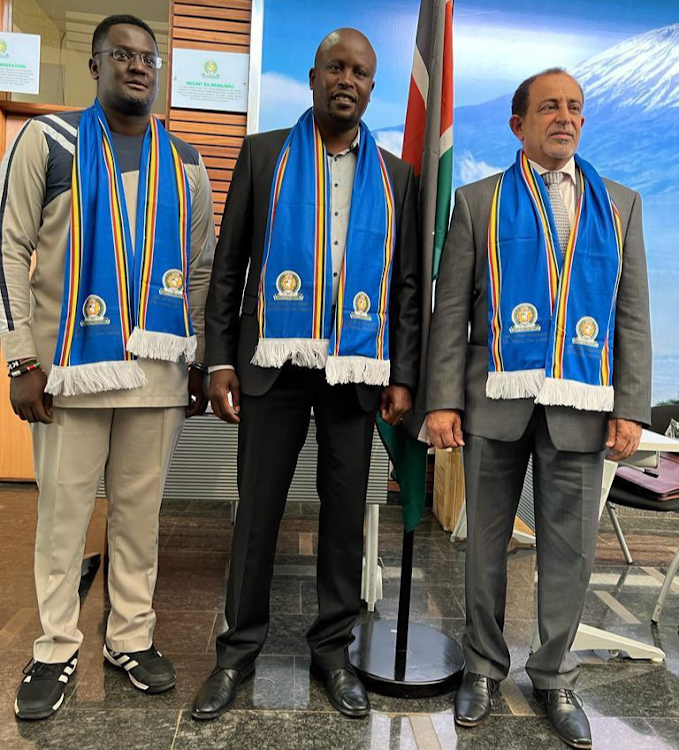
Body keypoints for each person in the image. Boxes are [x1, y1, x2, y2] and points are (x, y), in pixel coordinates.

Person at [193, 28, 419, 720]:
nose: (346, 80)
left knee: (346, 520)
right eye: (335, 68)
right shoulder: (264, 155)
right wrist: (220, 358)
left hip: (354, 372)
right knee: (256, 514)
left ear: (370, 88)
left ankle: (331, 652)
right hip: (271, 367)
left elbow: (407, 285)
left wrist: (402, 373)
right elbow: (229, 265)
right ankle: (237, 652)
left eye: (360, 73)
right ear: (313, 76)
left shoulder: (395, 175)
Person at [426, 68, 651, 749]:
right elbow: (450, 313)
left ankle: (551, 674)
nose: (565, 117)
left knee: (568, 552)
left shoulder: (619, 204)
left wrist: (630, 406)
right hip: (496, 401)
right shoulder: (476, 203)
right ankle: (483, 667)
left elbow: (630, 315)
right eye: (549, 106)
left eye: (575, 108)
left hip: (581, 406)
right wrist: (441, 400)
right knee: (483, 549)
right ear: (517, 123)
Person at [0, 15, 215, 720]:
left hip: (155, 377)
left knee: (139, 518)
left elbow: (202, 267)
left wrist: (196, 359)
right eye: (121, 55)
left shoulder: (184, 159)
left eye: (149, 58)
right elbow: (8, 249)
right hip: (67, 373)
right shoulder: (49, 141)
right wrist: (20, 359)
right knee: (62, 519)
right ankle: (56, 648)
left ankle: (129, 637)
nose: (137, 67)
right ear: (94, 67)